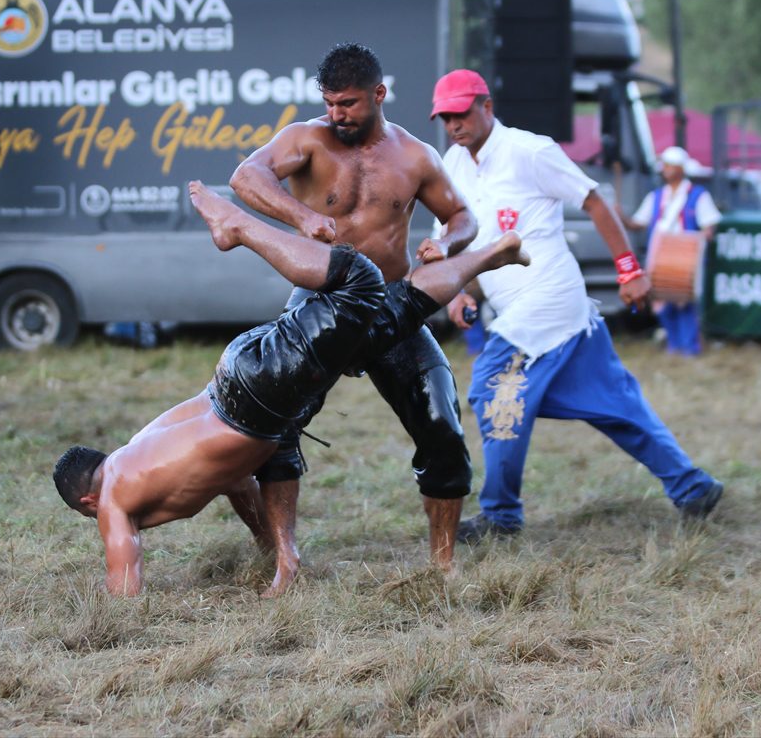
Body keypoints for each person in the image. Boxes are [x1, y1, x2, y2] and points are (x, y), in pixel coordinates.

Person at [54, 181, 528, 596]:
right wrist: (269, 549)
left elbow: (124, 582)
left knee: (362, 282)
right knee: (381, 321)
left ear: (88, 502)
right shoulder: (137, 453)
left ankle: (238, 227)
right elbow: (238, 481)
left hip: (255, 395)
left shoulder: (113, 500)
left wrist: (108, 605)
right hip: (236, 376)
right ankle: (495, 255)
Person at [428, 69, 725, 541]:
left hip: (549, 299)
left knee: (494, 393)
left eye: (461, 112)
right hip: (531, 311)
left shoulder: (530, 150)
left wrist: (629, 270)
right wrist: (463, 288)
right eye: (445, 116)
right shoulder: (454, 164)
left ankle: (501, 515)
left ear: (487, 106)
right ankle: (693, 488)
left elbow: (595, 201)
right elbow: (463, 241)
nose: (454, 124)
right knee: (614, 403)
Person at [229, 43, 479, 591]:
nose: (336, 114)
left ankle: (442, 567)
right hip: (322, 304)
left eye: (347, 103)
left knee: (442, 424)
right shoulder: (306, 139)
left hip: (392, 308)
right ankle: (283, 560)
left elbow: (461, 216)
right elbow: (246, 177)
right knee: (274, 428)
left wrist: (447, 242)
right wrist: (300, 215)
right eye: (329, 102)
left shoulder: (414, 156)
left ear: (378, 94)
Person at [623, 145, 722, 356]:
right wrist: (618, 216)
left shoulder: (698, 195)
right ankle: (674, 346)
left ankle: (689, 348)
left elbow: (709, 225)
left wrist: (703, 237)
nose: (665, 169)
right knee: (662, 302)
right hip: (659, 258)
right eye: (665, 165)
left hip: (685, 258)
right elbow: (637, 223)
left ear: (680, 168)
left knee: (685, 303)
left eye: (669, 165)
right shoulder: (656, 196)